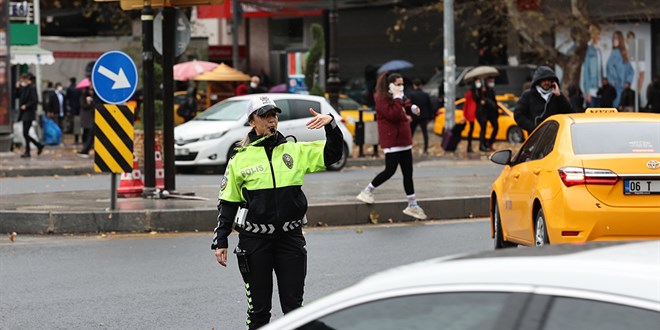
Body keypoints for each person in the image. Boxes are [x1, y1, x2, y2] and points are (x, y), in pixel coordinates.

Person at [211, 95, 344, 329]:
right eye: (265, 116)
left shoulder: (294, 150)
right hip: (254, 242)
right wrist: (220, 240)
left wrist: (331, 124)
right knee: (259, 312)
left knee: (294, 310)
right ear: (252, 121)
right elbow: (228, 201)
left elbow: (332, 155)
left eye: (274, 115)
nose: (271, 120)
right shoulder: (239, 157)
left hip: (290, 240)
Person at [355, 73, 427, 220]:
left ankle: (412, 205)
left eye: (402, 84)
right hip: (392, 140)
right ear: (389, 85)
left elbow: (405, 104)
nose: (401, 87)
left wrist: (412, 108)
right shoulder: (381, 98)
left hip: (404, 139)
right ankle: (367, 191)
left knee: (408, 172)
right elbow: (393, 114)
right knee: (390, 170)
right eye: (398, 84)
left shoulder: (399, 95)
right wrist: (399, 102)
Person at [514, 66, 573, 134]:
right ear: (538, 81)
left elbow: (570, 113)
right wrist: (533, 128)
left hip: (555, 136)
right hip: (535, 138)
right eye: (544, 80)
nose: (546, 82)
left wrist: (559, 96)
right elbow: (518, 115)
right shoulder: (528, 95)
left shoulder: (558, 95)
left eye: (549, 80)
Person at [16, 73, 44, 158]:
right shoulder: (25, 88)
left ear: (27, 79)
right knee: (25, 133)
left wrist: (26, 105)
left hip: (29, 113)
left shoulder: (32, 87)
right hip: (24, 113)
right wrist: (18, 88)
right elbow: (18, 96)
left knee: (25, 133)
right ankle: (36, 146)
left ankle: (31, 149)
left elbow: (34, 100)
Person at [606, 30, 634, 107]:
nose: (614, 40)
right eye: (613, 38)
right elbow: (609, 70)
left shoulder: (623, 53)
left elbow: (630, 70)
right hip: (614, 89)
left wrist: (627, 82)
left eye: (616, 38)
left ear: (620, 40)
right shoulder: (614, 52)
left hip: (620, 89)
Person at [408, 78, 433, 155]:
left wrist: (409, 115)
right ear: (421, 85)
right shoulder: (425, 94)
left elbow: (409, 106)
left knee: (411, 133)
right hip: (423, 116)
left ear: (414, 85)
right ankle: (425, 148)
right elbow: (429, 106)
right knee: (425, 133)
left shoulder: (411, 94)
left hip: (414, 116)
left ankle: (408, 147)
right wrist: (430, 117)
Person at [581, 23, 603, 107]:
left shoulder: (599, 50)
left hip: (600, 89)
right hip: (592, 90)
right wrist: (587, 91)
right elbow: (586, 72)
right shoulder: (590, 51)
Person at [474, 77, 498, 152]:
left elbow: (494, 101)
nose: (492, 82)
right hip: (483, 113)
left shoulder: (491, 90)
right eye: (490, 80)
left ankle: (489, 143)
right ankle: (482, 145)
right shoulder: (480, 89)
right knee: (483, 128)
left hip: (491, 112)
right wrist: (480, 91)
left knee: (496, 127)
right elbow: (477, 98)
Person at [78, 87, 96, 156]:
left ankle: (86, 149)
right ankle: (85, 149)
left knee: (91, 134)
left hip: (92, 117)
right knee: (88, 133)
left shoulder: (92, 97)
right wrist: (89, 102)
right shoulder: (83, 97)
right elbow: (83, 105)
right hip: (87, 117)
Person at [66, 77, 82, 143]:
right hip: (78, 108)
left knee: (72, 121)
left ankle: (74, 136)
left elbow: (67, 98)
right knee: (77, 123)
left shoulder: (69, 89)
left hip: (72, 107)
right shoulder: (78, 88)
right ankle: (77, 137)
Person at [463, 84, 477, 153]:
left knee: (471, 131)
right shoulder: (471, 94)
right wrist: (464, 115)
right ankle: (469, 146)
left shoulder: (471, 94)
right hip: (471, 115)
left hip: (471, 114)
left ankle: (469, 146)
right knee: (470, 131)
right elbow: (466, 105)